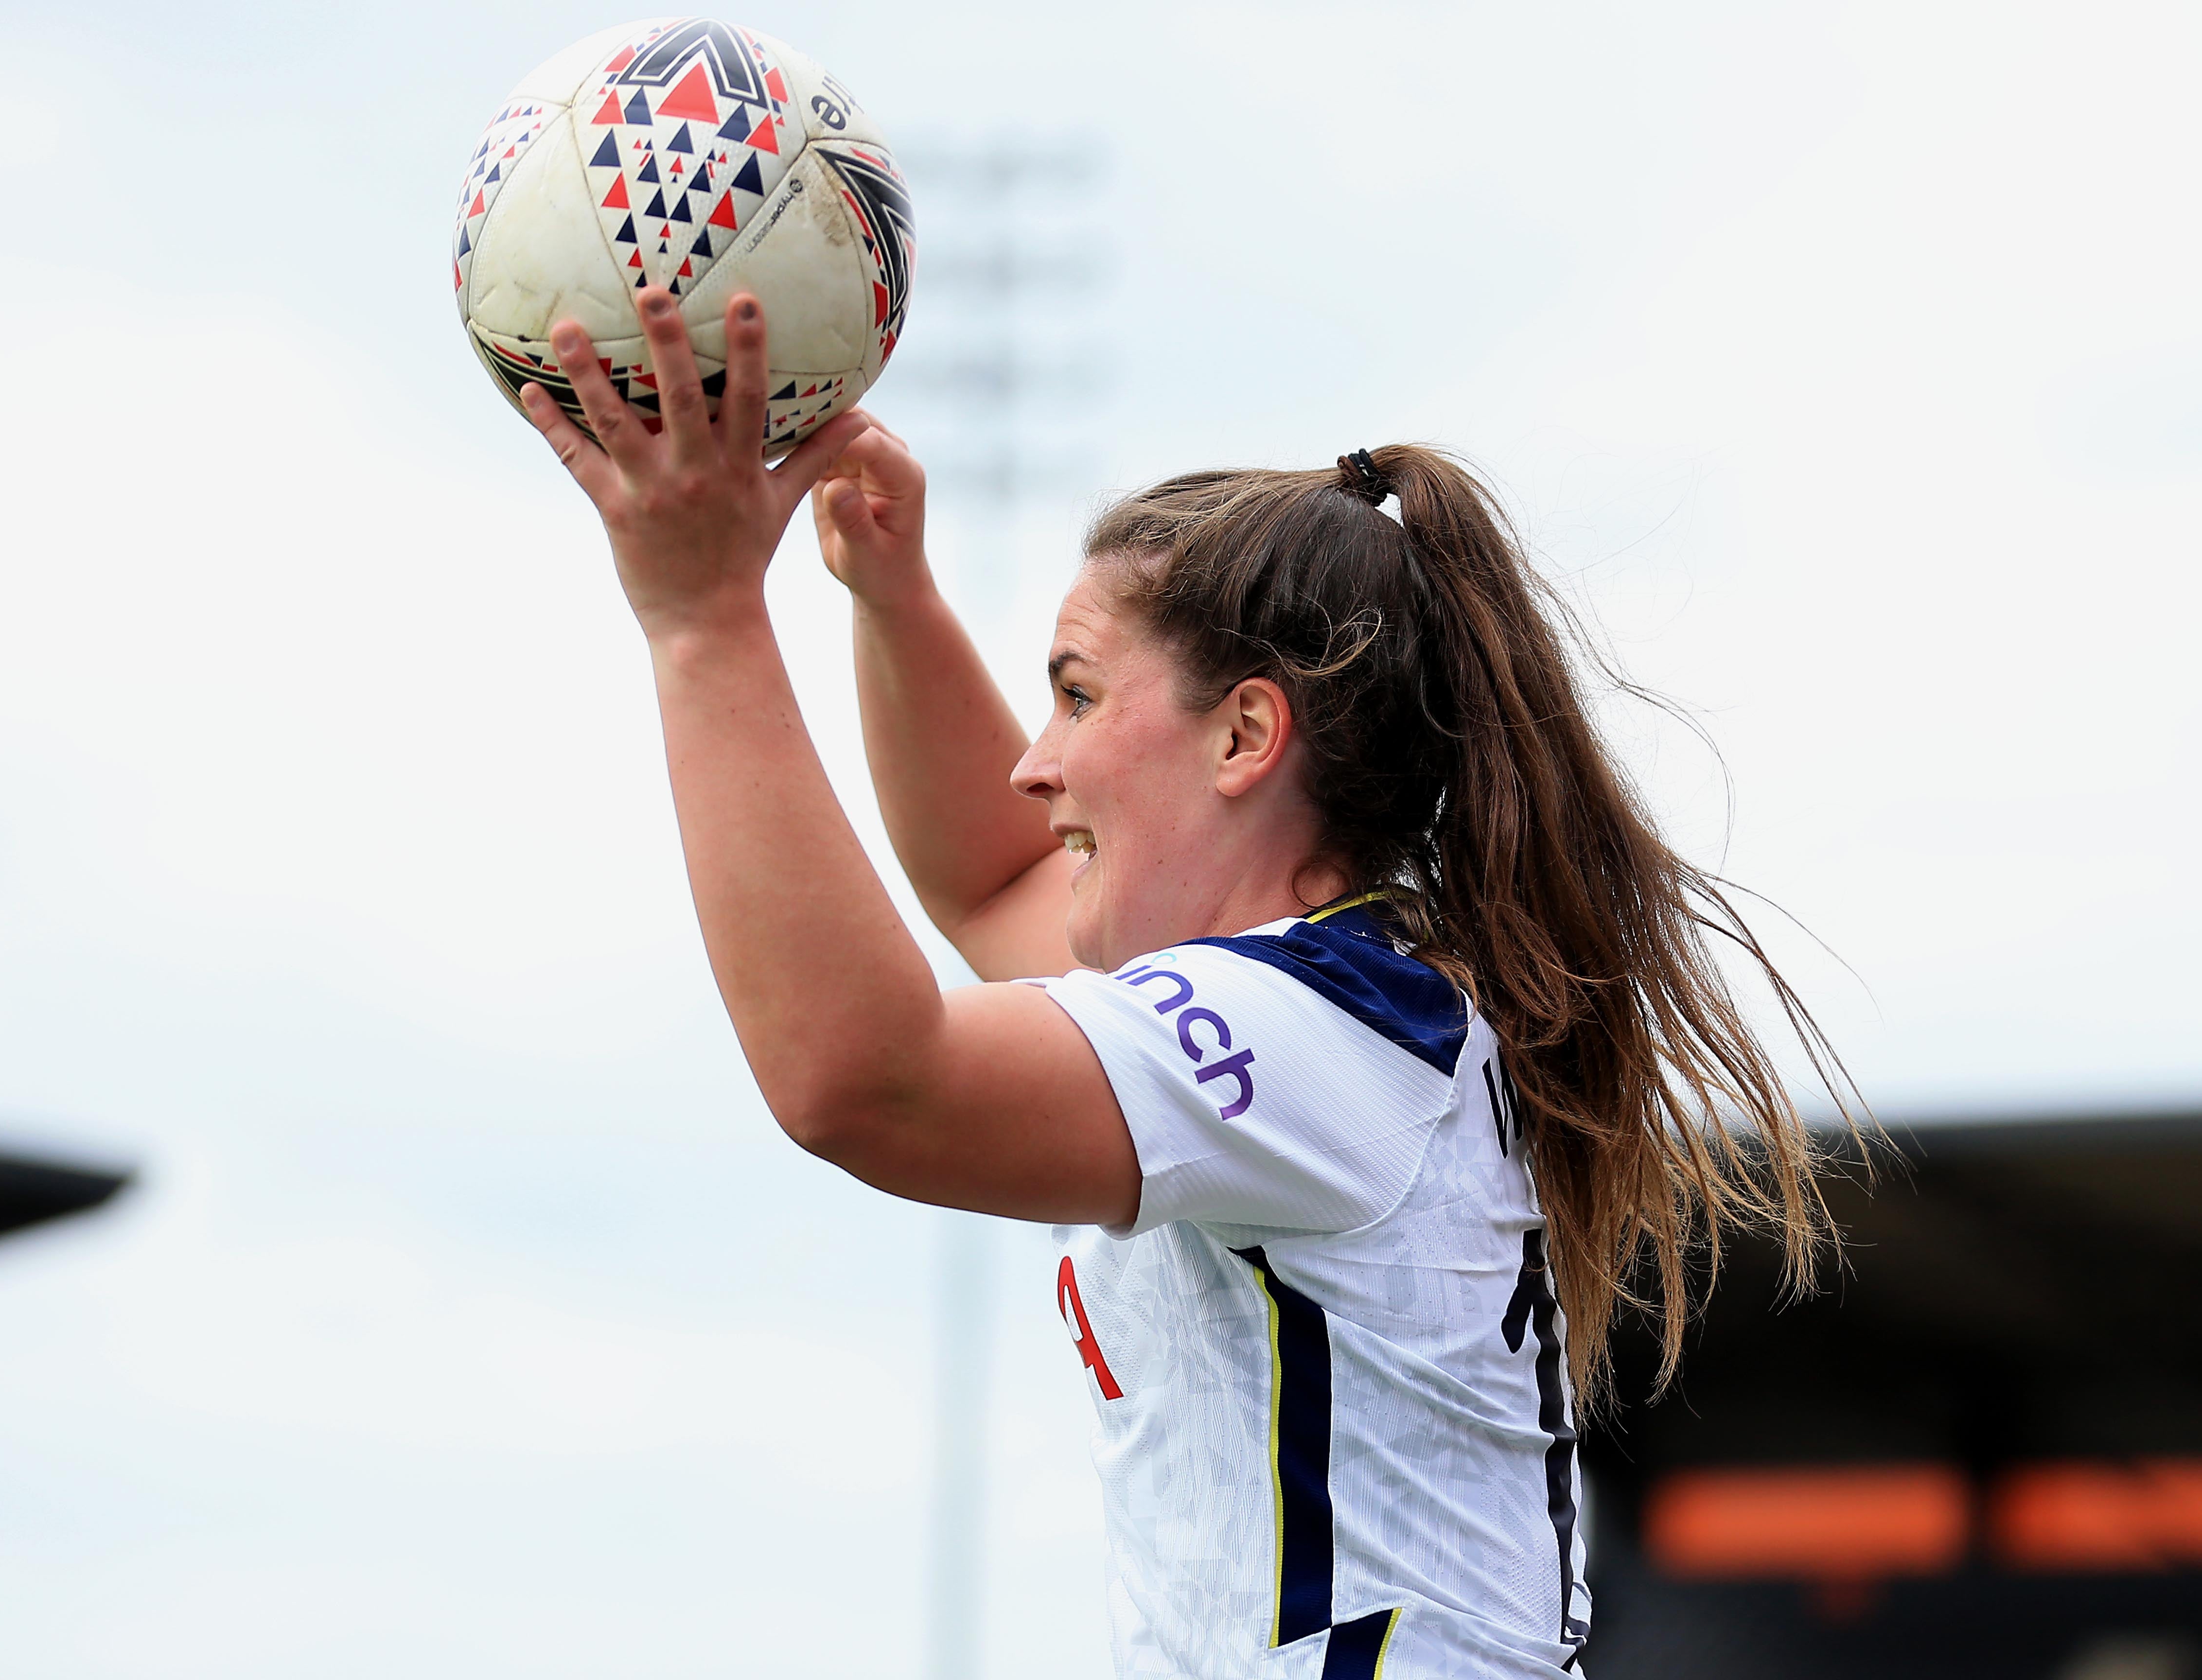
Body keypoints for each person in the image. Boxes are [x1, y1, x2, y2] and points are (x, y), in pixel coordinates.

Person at [517, 287, 1844, 1679]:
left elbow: (864, 1077)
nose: (1039, 767)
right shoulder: (1362, 1013)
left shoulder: (1315, 1038)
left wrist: (703, 621)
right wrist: (890, 597)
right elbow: (994, 886)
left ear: (1244, 738)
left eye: (1079, 697)